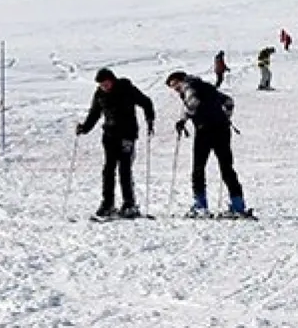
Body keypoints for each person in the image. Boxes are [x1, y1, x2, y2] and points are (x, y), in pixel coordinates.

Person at [165, 71, 249, 218]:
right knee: (226, 168)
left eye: (174, 84)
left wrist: (183, 120)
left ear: (181, 80)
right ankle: (238, 205)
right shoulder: (206, 86)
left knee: (198, 168)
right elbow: (228, 101)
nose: (175, 89)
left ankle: (200, 206)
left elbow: (193, 102)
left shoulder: (189, 86)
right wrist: (224, 118)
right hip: (222, 130)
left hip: (205, 131)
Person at [76, 68, 155, 218]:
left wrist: (150, 119)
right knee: (108, 170)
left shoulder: (126, 88)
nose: (104, 87)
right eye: (101, 85)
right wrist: (84, 128)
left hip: (127, 134)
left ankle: (129, 204)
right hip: (109, 135)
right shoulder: (100, 94)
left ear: (112, 80)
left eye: (105, 83)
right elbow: (94, 113)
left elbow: (146, 102)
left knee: (124, 169)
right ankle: (108, 204)